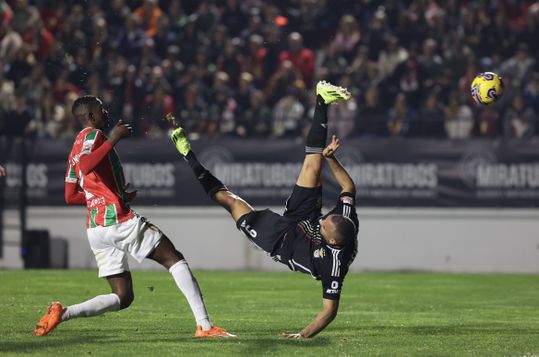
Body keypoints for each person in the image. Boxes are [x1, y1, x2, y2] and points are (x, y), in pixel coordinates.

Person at [34, 96, 234, 338]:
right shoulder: (94, 136)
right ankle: (204, 326)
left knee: (123, 296)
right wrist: (114, 138)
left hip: (96, 229)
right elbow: (87, 166)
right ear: (90, 116)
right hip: (118, 221)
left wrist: (113, 196)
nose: (106, 113)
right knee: (174, 259)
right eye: (101, 109)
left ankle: (63, 313)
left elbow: (70, 195)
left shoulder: (74, 150)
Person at [170, 81, 358, 338]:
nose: (327, 217)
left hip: (279, 240)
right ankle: (322, 100)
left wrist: (303, 335)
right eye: (330, 216)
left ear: (332, 240)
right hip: (303, 218)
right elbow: (348, 186)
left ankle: (187, 155)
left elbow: (329, 311)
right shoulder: (345, 220)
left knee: (229, 201)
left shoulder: (334, 266)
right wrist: (331, 158)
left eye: (326, 224)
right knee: (313, 165)